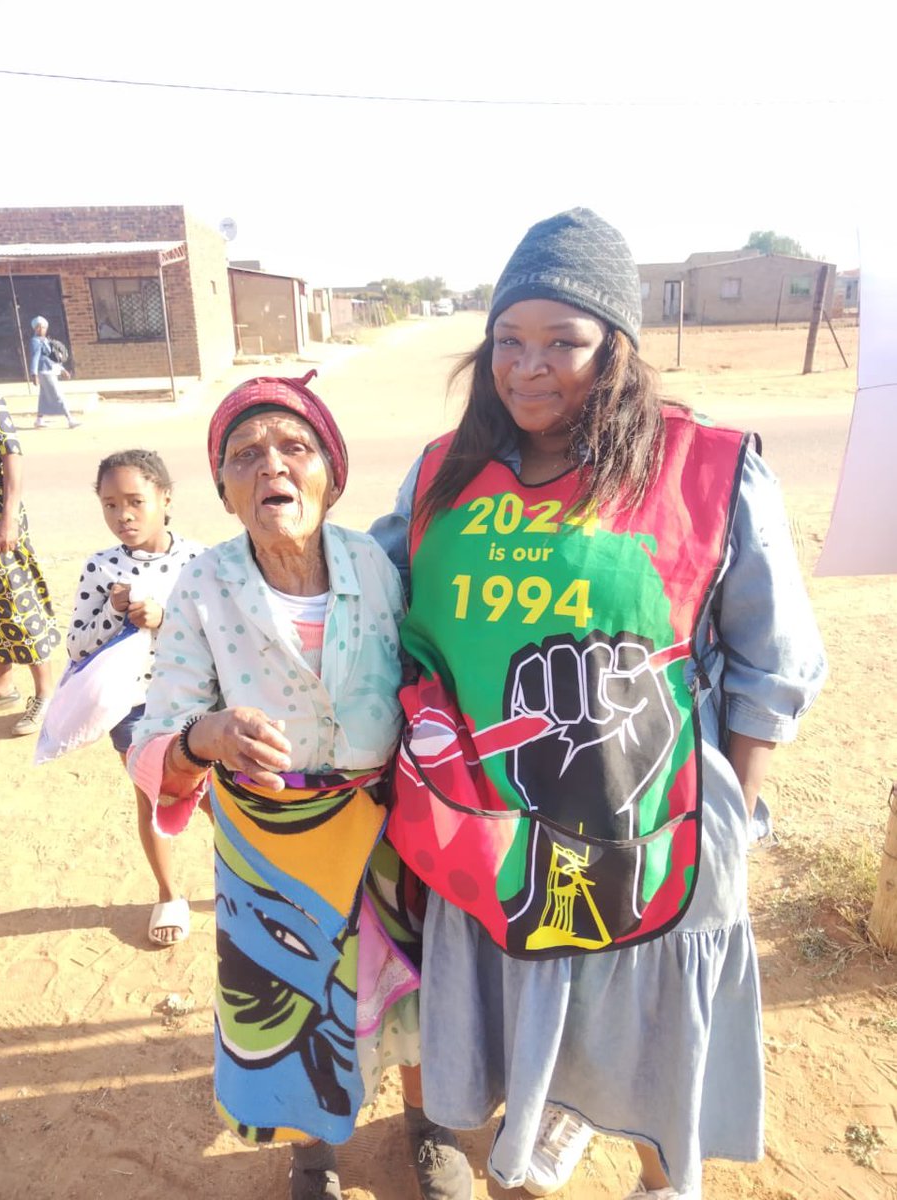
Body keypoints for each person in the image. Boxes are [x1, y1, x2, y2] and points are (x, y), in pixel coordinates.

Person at [370, 209, 828, 1199]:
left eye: (562, 342)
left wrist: (734, 816)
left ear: (614, 350)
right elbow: (368, 599)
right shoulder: (442, 477)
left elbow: (771, 655)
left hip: (655, 835)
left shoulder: (704, 468)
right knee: (522, 1038)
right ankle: (536, 1147)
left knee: (659, 1049)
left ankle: (665, 1183)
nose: (528, 367)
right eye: (508, 341)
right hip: (489, 839)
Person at [127, 375, 473, 1200]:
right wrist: (206, 736)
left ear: (331, 473)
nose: (269, 466)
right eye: (244, 456)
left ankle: (429, 1128)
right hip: (273, 846)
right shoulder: (205, 587)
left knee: (412, 987)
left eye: (293, 448)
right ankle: (309, 1153)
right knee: (289, 1002)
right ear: (222, 490)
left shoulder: (378, 564)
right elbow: (154, 741)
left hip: (389, 823)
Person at [67, 450, 205, 946]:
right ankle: (169, 892)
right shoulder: (101, 568)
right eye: (109, 504)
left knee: (218, 797)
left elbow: (221, 632)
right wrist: (113, 613)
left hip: (197, 700)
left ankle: (250, 881)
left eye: (134, 501)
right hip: (134, 708)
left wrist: (165, 617)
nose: (122, 515)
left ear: (165, 498)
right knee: (153, 796)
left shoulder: (199, 560)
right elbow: (77, 644)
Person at [0, 394, 61, 735]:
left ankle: (45, 694)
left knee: (17, 604)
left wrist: (9, 515)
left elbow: (12, 452)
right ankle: (3, 687)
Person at [29, 317, 79, 430]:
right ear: (37, 328)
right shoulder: (35, 341)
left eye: (45, 327)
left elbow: (51, 358)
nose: (44, 329)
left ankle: (39, 420)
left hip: (49, 369)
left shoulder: (45, 340)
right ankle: (70, 419)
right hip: (44, 371)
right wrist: (34, 374)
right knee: (57, 394)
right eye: (43, 327)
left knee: (44, 396)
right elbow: (35, 357)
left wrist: (62, 369)